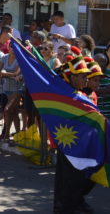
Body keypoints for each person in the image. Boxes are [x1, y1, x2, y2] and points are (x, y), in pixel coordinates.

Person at [53, 53, 95, 214]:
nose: (86, 79)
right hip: (69, 143)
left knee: (81, 177)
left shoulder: (79, 94)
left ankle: (75, 202)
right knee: (68, 178)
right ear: (72, 77)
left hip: (82, 143)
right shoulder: (66, 95)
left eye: (87, 76)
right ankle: (64, 208)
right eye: (83, 76)